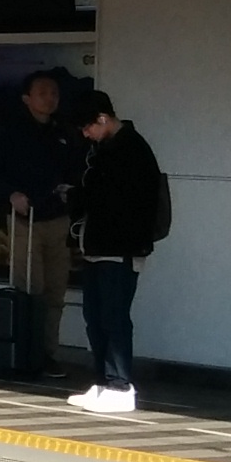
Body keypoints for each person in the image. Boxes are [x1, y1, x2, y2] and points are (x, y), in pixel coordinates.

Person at [65, 89, 165, 413]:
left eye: (88, 127)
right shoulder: (106, 149)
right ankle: (103, 382)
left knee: (113, 316)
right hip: (100, 247)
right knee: (95, 317)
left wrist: (76, 197)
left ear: (103, 119)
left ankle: (120, 384)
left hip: (120, 249)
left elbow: (111, 199)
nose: (86, 134)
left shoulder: (131, 150)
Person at [0, 66, 78, 376]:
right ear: (26, 98)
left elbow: (75, 170)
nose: (50, 99)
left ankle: (48, 354)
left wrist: (69, 190)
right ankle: (24, 351)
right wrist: (12, 195)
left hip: (58, 219)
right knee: (29, 289)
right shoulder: (9, 132)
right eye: (43, 93)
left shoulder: (64, 132)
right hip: (26, 220)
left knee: (55, 292)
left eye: (54, 93)